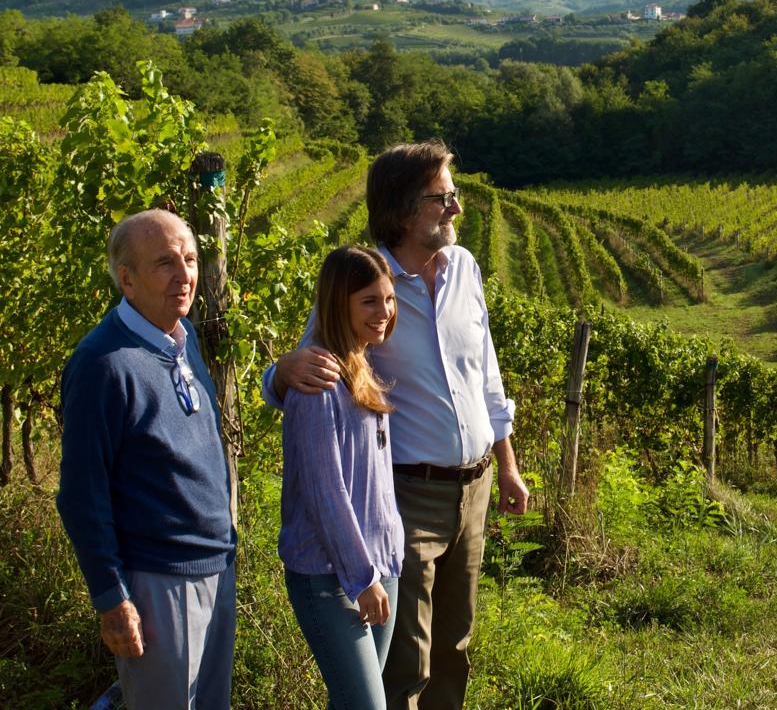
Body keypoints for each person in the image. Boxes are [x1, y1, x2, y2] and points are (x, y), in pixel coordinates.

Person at [264, 141, 530, 709]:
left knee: (456, 643)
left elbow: (487, 374)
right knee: (406, 655)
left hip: (475, 486)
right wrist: (279, 372)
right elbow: (316, 364)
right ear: (405, 209)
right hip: (407, 493)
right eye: (443, 198)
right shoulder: (369, 285)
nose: (456, 208)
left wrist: (507, 465)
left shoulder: (465, 269)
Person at [57, 209, 236, 710]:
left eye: (191, 258)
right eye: (165, 263)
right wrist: (111, 597)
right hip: (159, 580)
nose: (185, 275)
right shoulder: (103, 365)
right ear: (127, 279)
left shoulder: (183, 339)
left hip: (215, 565)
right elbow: (80, 494)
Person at [280, 245, 405, 710]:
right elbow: (324, 494)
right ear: (339, 303)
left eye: (388, 299)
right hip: (333, 577)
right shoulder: (319, 383)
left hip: (380, 566)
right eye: (369, 300)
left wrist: (389, 558)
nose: (384, 312)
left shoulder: (361, 365)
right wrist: (362, 579)